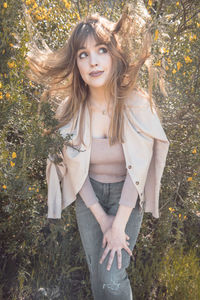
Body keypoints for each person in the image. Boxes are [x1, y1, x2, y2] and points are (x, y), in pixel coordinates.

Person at [26, 9, 169, 300]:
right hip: (89, 197)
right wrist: (103, 220)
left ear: (114, 55)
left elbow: (138, 170)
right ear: (76, 63)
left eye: (101, 50)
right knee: (97, 272)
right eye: (83, 54)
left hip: (126, 195)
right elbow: (74, 171)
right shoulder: (69, 111)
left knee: (113, 276)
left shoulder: (136, 104)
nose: (93, 61)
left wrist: (117, 224)